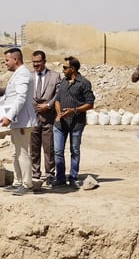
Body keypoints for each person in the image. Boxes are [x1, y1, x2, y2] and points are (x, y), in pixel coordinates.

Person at [0, 48, 38, 195]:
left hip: (23, 121)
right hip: (17, 121)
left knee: (22, 153)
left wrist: (9, 116)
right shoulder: (17, 75)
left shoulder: (23, 74)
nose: (5, 63)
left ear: (15, 60)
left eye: (7, 60)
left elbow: (20, 98)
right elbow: (9, 97)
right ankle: (18, 181)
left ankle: (27, 184)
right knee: (14, 152)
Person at [51, 56, 96, 188]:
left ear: (73, 69)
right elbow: (57, 99)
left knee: (74, 150)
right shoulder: (63, 82)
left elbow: (90, 103)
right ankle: (60, 178)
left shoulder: (84, 83)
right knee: (58, 151)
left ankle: (73, 177)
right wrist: (59, 114)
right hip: (60, 124)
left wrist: (74, 110)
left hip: (76, 123)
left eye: (65, 67)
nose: (63, 69)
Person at [28, 50, 60, 185]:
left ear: (44, 62)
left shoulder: (55, 76)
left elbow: (59, 94)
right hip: (33, 118)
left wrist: (48, 105)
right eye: (34, 62)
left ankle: (50, 174)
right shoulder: (29, 76)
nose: (36, 64)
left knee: (49, 149)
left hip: (48, 118)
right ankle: (35, 173)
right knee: (34, 149)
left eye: (38, 62)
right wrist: (0, 91)